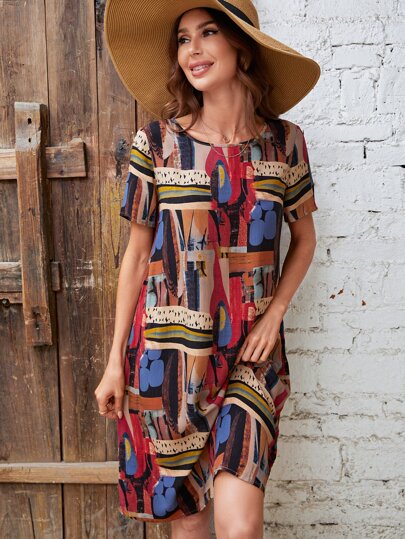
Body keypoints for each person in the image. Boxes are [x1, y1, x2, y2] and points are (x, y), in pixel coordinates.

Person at [96, 1, 321, 537]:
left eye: (208, 32)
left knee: (240, 526)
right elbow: (136, 257)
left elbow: (305, 238)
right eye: (183, 39)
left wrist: (275, 313)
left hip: (252, 357)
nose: (192, 50)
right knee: (190, 524)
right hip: (169, 356)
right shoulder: (156, 144)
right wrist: (114, 363)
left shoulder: (285, 143)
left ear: (241, 47)